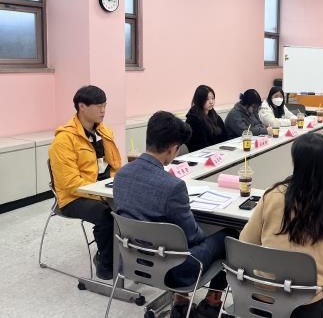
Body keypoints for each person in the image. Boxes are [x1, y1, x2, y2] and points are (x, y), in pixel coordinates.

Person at [113, 111, 234, 318]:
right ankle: (211, 304)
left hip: (132, 261)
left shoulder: (121, 175)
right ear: (172, 149)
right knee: (228, 236)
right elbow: (193, 236)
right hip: (174, 270)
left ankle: (181, 302)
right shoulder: (173, 187)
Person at [240, 132, 323, 317]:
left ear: (296, 162)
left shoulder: (272, 196)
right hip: (309, 304)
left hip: (264, 299)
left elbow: (246, 241)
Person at [48, 85, 121, 280]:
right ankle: (105, 262)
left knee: (132, 206)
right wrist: (102, 195)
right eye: (98, 106)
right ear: (82, 106)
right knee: (107, 214)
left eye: (105, 105)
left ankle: (126, 255)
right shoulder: (64, 140)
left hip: (102, 188)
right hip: (73, 197)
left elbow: (115, 165)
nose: (103, 111)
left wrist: (117, 185)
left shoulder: (104, 131)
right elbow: (71, 184)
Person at [185, 85, 228, 152]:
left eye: (213, 98)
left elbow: (225, 136)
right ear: (199, 100)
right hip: (203, 154)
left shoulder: (214, 115)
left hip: (219, 151)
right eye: (207, 99)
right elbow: (199, 146)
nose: (211, 102)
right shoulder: (193, 119)